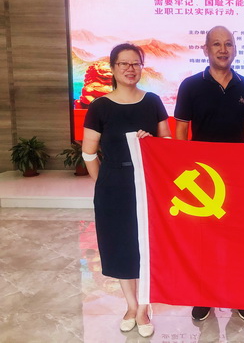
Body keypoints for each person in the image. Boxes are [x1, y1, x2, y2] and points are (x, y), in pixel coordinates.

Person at [82, 43, 171, 338]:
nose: (130, 69)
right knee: (119, 246)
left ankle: (144, 307)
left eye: (135, 64)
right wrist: (104, 182)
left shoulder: (152, 102)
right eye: (124, 64)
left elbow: (168, 144)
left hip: (148, 184)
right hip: (113, 186)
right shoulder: (100, 107)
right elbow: (88, 153)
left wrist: (152, 143)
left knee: (146, 245)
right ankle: (131, 306)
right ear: (113, 68)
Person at [174, 26, 244, 321]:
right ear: (205, 49)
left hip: (237, 174)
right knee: (204, 239)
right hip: (202, 176)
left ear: (235, 49)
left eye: (228, 44)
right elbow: (181, 130)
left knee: (238, 237)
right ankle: (204, 295)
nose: (223, 50)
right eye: (217, 44)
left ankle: (239, 294)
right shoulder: (190, 86)